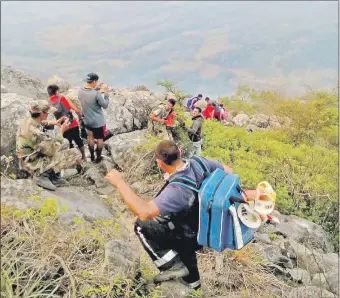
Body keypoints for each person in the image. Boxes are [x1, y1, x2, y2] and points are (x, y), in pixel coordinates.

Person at [105, 140, 233, 291]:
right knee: (185, 248)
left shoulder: (176, 191)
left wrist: (120, 183)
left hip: (188, 235)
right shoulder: (200, 162)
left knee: (141, 225)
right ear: (180, 151)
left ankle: (173, 266)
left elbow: (143, 212)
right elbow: (229, 172)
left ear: (159, 163)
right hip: (205, 227)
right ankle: (194, 285)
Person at [16, 100, 83, 191]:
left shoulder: (26, 121)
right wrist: (61, 130)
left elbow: (41, 122)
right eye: (47, 113)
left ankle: (54, 175)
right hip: (32, 164)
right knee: (74, 153)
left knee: (65, 142)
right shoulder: (38, 134)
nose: (48, 115)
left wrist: (54, 122)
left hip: (27, 157)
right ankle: (42, 175)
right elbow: (52, 150)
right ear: (42, 114)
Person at [47, 84, 86, 161]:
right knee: (78, 140)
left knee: (68, 143)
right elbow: (76, 110)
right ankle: (84, 157)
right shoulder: (63, 98)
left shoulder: (48, 103)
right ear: (57, 91)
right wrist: (79, 118)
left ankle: (74, 160)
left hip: (62, 126)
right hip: (72, 123)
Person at [78, 73, 110, 163]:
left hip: (87, 121)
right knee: (100, 139)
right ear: (94, 81)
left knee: (90, 138)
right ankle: (98, 157)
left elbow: (88, 95)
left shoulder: (80, 91)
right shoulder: (96, 94)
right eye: (96, 82)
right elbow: (105, 105)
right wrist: (106, 93)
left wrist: (96, 88)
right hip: (98, 122)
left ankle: (92, 156)